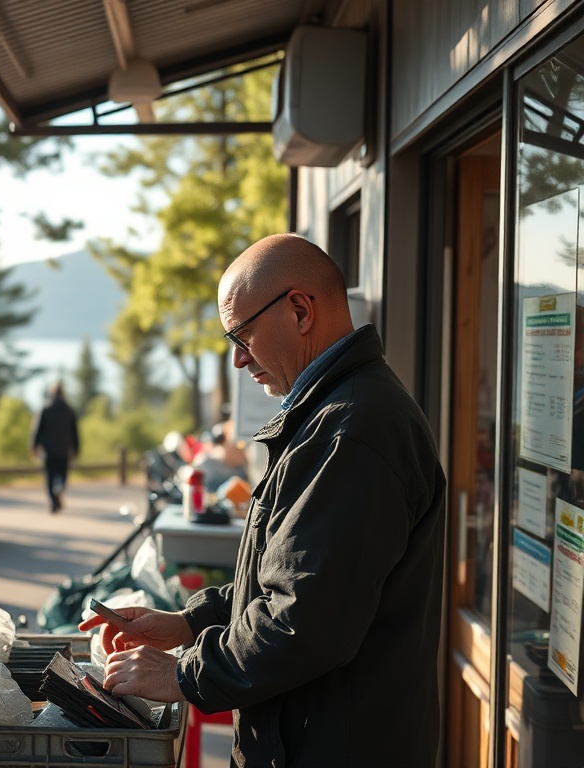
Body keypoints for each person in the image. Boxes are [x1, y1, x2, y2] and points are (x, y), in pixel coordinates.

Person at [80, 233, 446, 767]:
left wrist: (184, 672)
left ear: (299, 310)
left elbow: (306, 620)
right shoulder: (333, 415)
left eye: (242, 334)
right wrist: (189, 622)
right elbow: (291, 576)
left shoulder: (353, 430)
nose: (237, 359)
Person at [31, 382, 80, 512]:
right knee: (62, 475)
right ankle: (59, 488)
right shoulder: (69, 410)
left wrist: (33, 446)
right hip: (63, 450)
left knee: (49, 477)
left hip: (48, 450)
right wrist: (76, 449)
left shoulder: (45, 409)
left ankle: (53, 502)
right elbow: (75, 432)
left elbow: (38, 430)